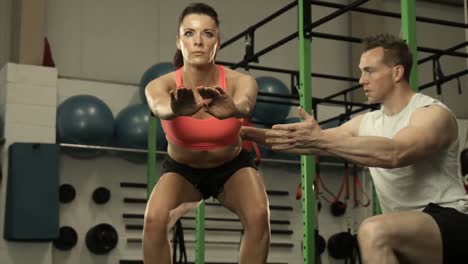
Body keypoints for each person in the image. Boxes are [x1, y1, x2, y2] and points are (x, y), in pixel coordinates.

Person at [245, 34, 468, 264]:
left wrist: (320, 140)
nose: (361, 80)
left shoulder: (430, 113)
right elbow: (305, 140)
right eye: (361, 71)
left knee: (373, 231)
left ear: (397, 73)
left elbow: (395, 153)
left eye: (369, 71)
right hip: (406, 228)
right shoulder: (367, 122)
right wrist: (239, 130)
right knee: (377, 231)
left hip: (451, 223)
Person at [143, 3, 270, 264]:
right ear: (179, 42)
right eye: (189, 34)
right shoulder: (162, 84)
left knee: (259, 215)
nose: (198, 42)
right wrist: (175, 108)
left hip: (231, 167)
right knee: (153, 221)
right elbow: (158, 106)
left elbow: (246, 102)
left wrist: (233, 108)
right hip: (182, 170)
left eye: (207, 34)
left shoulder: (239, 81)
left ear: (218, 42)